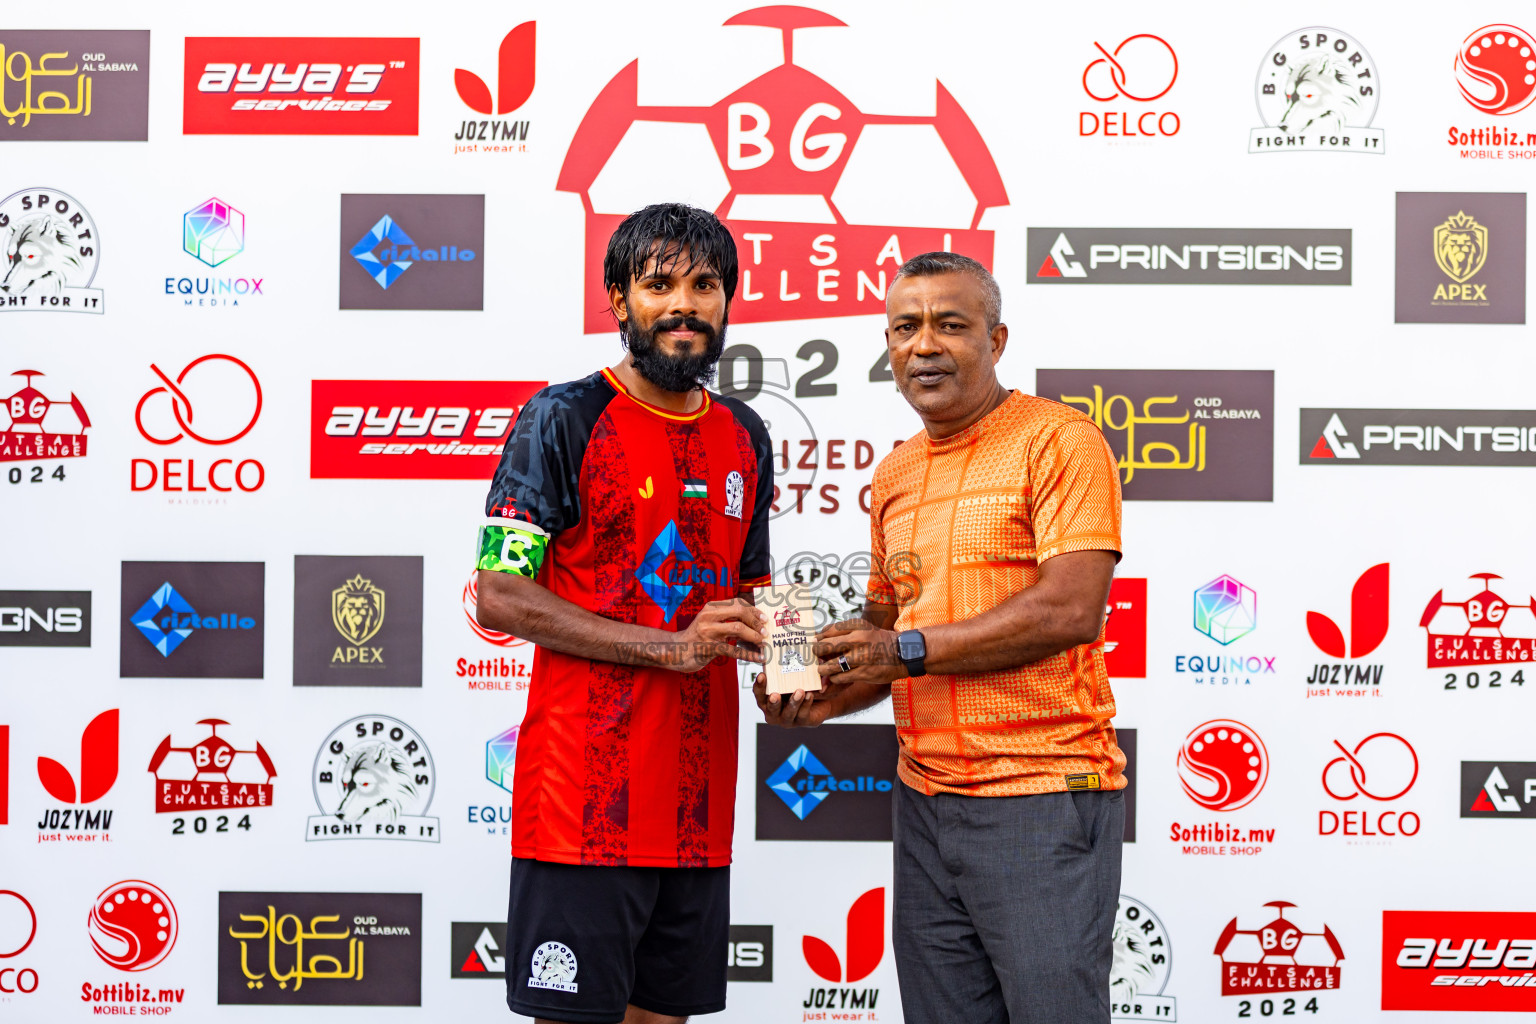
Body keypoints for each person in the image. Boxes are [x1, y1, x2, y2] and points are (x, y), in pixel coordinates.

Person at [755, 251, 1126, 1024]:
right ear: (888, 348)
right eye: (905, 327)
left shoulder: (1060, 439)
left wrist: (905, 651)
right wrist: (814, 697)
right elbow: (888, 638)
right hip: (925, 804)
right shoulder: (893, 475)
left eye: (951, 325)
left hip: (1039, 794)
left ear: (996, 339)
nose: (925, 345)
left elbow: (1070, 609)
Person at [475, 203, 773, 1024]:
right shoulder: (561, 417)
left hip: (697, 811)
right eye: (658, 284)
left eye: (705, 285)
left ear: (727, 301)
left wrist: (795, 670)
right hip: (582, 809)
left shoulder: (747, 434)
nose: (685, 304)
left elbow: (751, 592)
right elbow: (501, 593)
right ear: (617, 298)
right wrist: (669, 648)